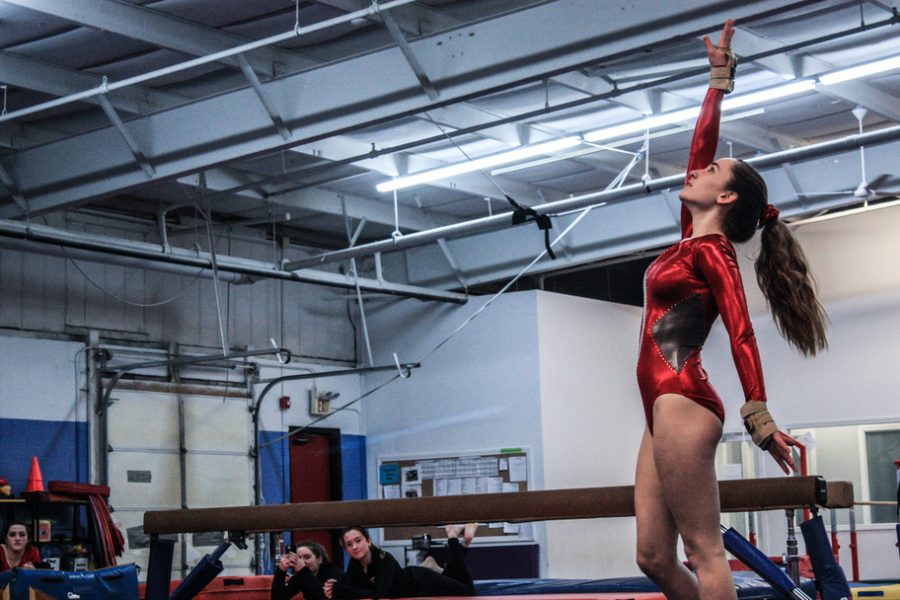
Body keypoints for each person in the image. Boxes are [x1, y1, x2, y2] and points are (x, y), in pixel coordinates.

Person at [633, 19, 828, 600]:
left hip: (684, 399)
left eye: (714, 171)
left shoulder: (715, 252)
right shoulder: (687, 240)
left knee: (703, 549)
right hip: (655, 404)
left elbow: (742, 331)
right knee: (650, 557)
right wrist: (718, 80)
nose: (698, 167)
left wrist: (759, 416)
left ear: (726, 198)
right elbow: (700, 145)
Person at [324, 524, 477, 599]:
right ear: (346, 549)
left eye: (358, 541)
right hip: (410, 586)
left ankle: (454, 537)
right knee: (454, 578)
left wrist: (342, 590)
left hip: (421, 582)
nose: (355, 547)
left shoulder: (384, 559)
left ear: (368, 541)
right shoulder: (354, 565)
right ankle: (459, 541)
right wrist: (335, 585)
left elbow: (378, 594)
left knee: (468, 593)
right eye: (349, 545)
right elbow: (354, 589)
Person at [271, 539, 345, 600]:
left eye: (307, 557)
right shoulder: (302, 575)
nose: (302, 561)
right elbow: (278, 597)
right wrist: (281, 571)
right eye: (299, 558)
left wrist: (303, 570)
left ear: (319, 559)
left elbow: (323, 597)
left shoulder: (333, 572)